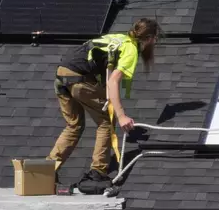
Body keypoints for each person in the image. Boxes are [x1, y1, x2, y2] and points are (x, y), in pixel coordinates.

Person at [47, 18, 161, 193]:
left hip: (62, 74)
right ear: (150, 38)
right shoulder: (131, 49)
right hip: (79, 78)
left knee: (74, 125)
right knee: (107, 122)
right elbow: (113, 82)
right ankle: (97, 173)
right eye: (156, 39)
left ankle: (47, 171)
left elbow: (103, 68)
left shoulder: (118, 38)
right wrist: (121, 115)